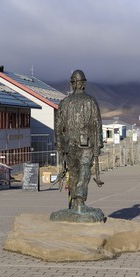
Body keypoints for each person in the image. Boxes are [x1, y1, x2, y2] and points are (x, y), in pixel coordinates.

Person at [54, 70, 104, 214]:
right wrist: (98, 145)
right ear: (83, 84)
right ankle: (79, 202)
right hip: (85, 144)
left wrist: (59, 145)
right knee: (83, 172)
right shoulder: (90, 101)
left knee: (75, 173)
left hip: (69, 144)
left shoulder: (65, 102)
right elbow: (97, 124)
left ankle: (77, 202)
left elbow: (57, 126)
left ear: (72, 84)